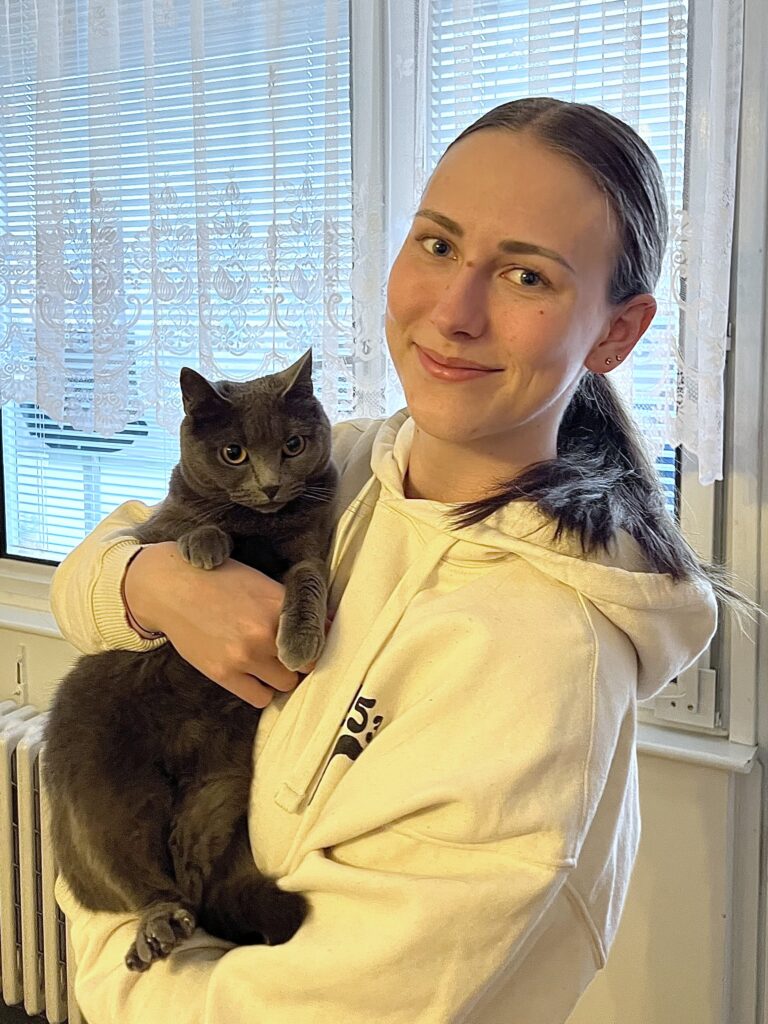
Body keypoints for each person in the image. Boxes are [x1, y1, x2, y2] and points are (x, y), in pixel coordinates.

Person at [50, 97, 719, 1024]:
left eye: (526, 275)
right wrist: (150, 583)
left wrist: (98, 919)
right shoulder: (350, 462)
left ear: (616, 332)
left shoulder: (537, 657)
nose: (453, 312)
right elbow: (89, 571)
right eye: (438, 245)